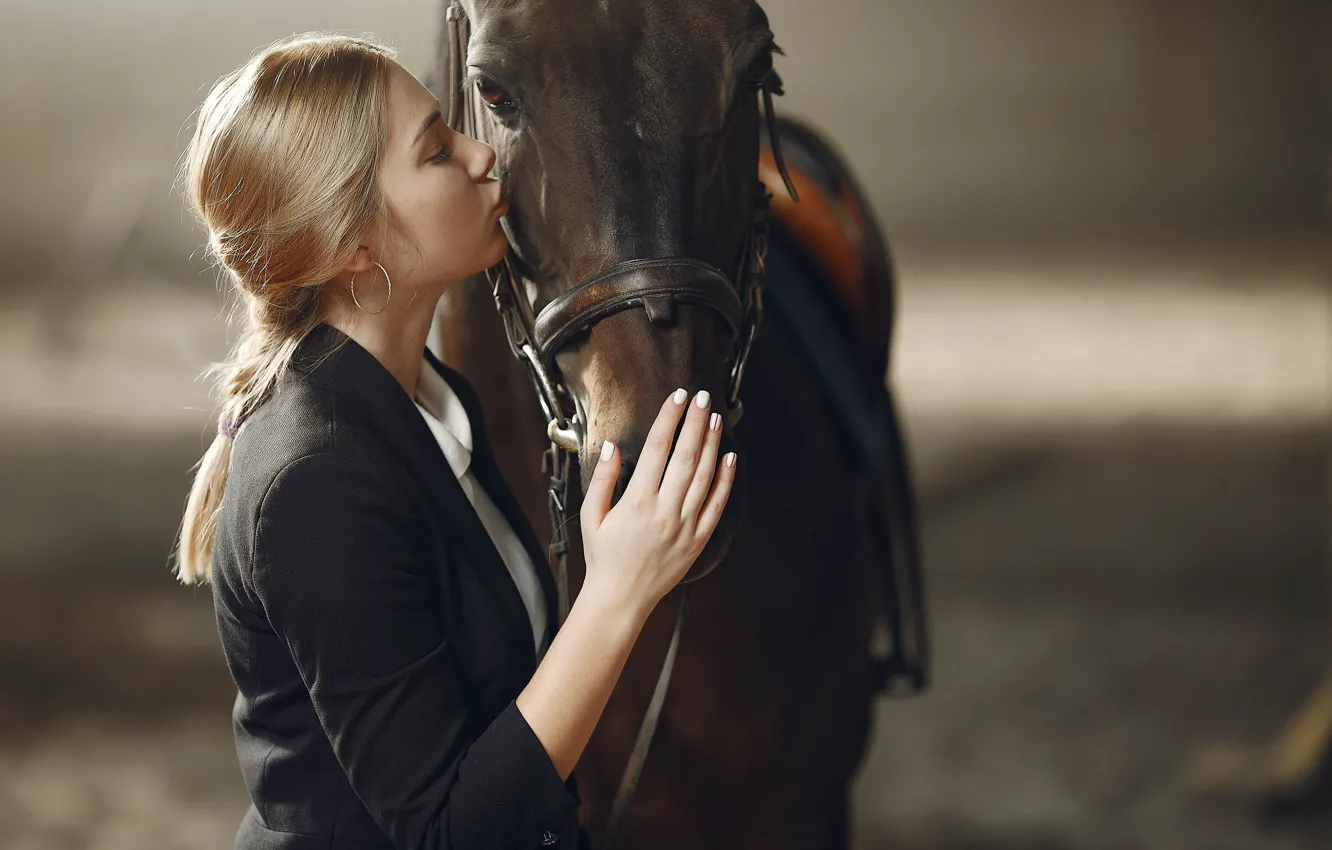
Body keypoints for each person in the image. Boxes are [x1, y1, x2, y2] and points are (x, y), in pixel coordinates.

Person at [174, 33, 736, 850]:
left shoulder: (432, 397)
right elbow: (446, 833)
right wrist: (617, 595)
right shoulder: (317, 481)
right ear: (355, 245)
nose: (483, 156)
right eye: (438, 150)